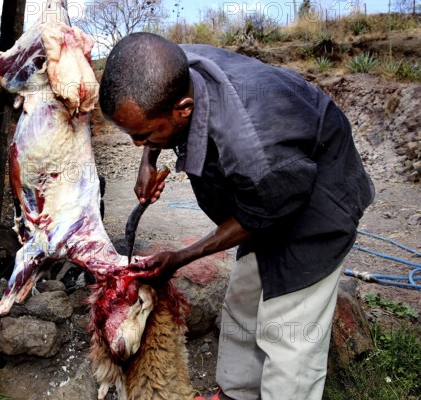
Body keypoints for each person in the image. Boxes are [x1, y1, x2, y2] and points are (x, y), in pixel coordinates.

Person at [98, 32, 375, 400]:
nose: (137, 143)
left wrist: (182, 257)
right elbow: (153, 117)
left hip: (317, 199)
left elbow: (256, 214)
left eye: (144, 135)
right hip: (270, 182)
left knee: (288, 327)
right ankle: (236, 393)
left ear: (183, 108)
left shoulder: (254, 152)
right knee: (244, 301)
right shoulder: (169, 67)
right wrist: (147, 160)